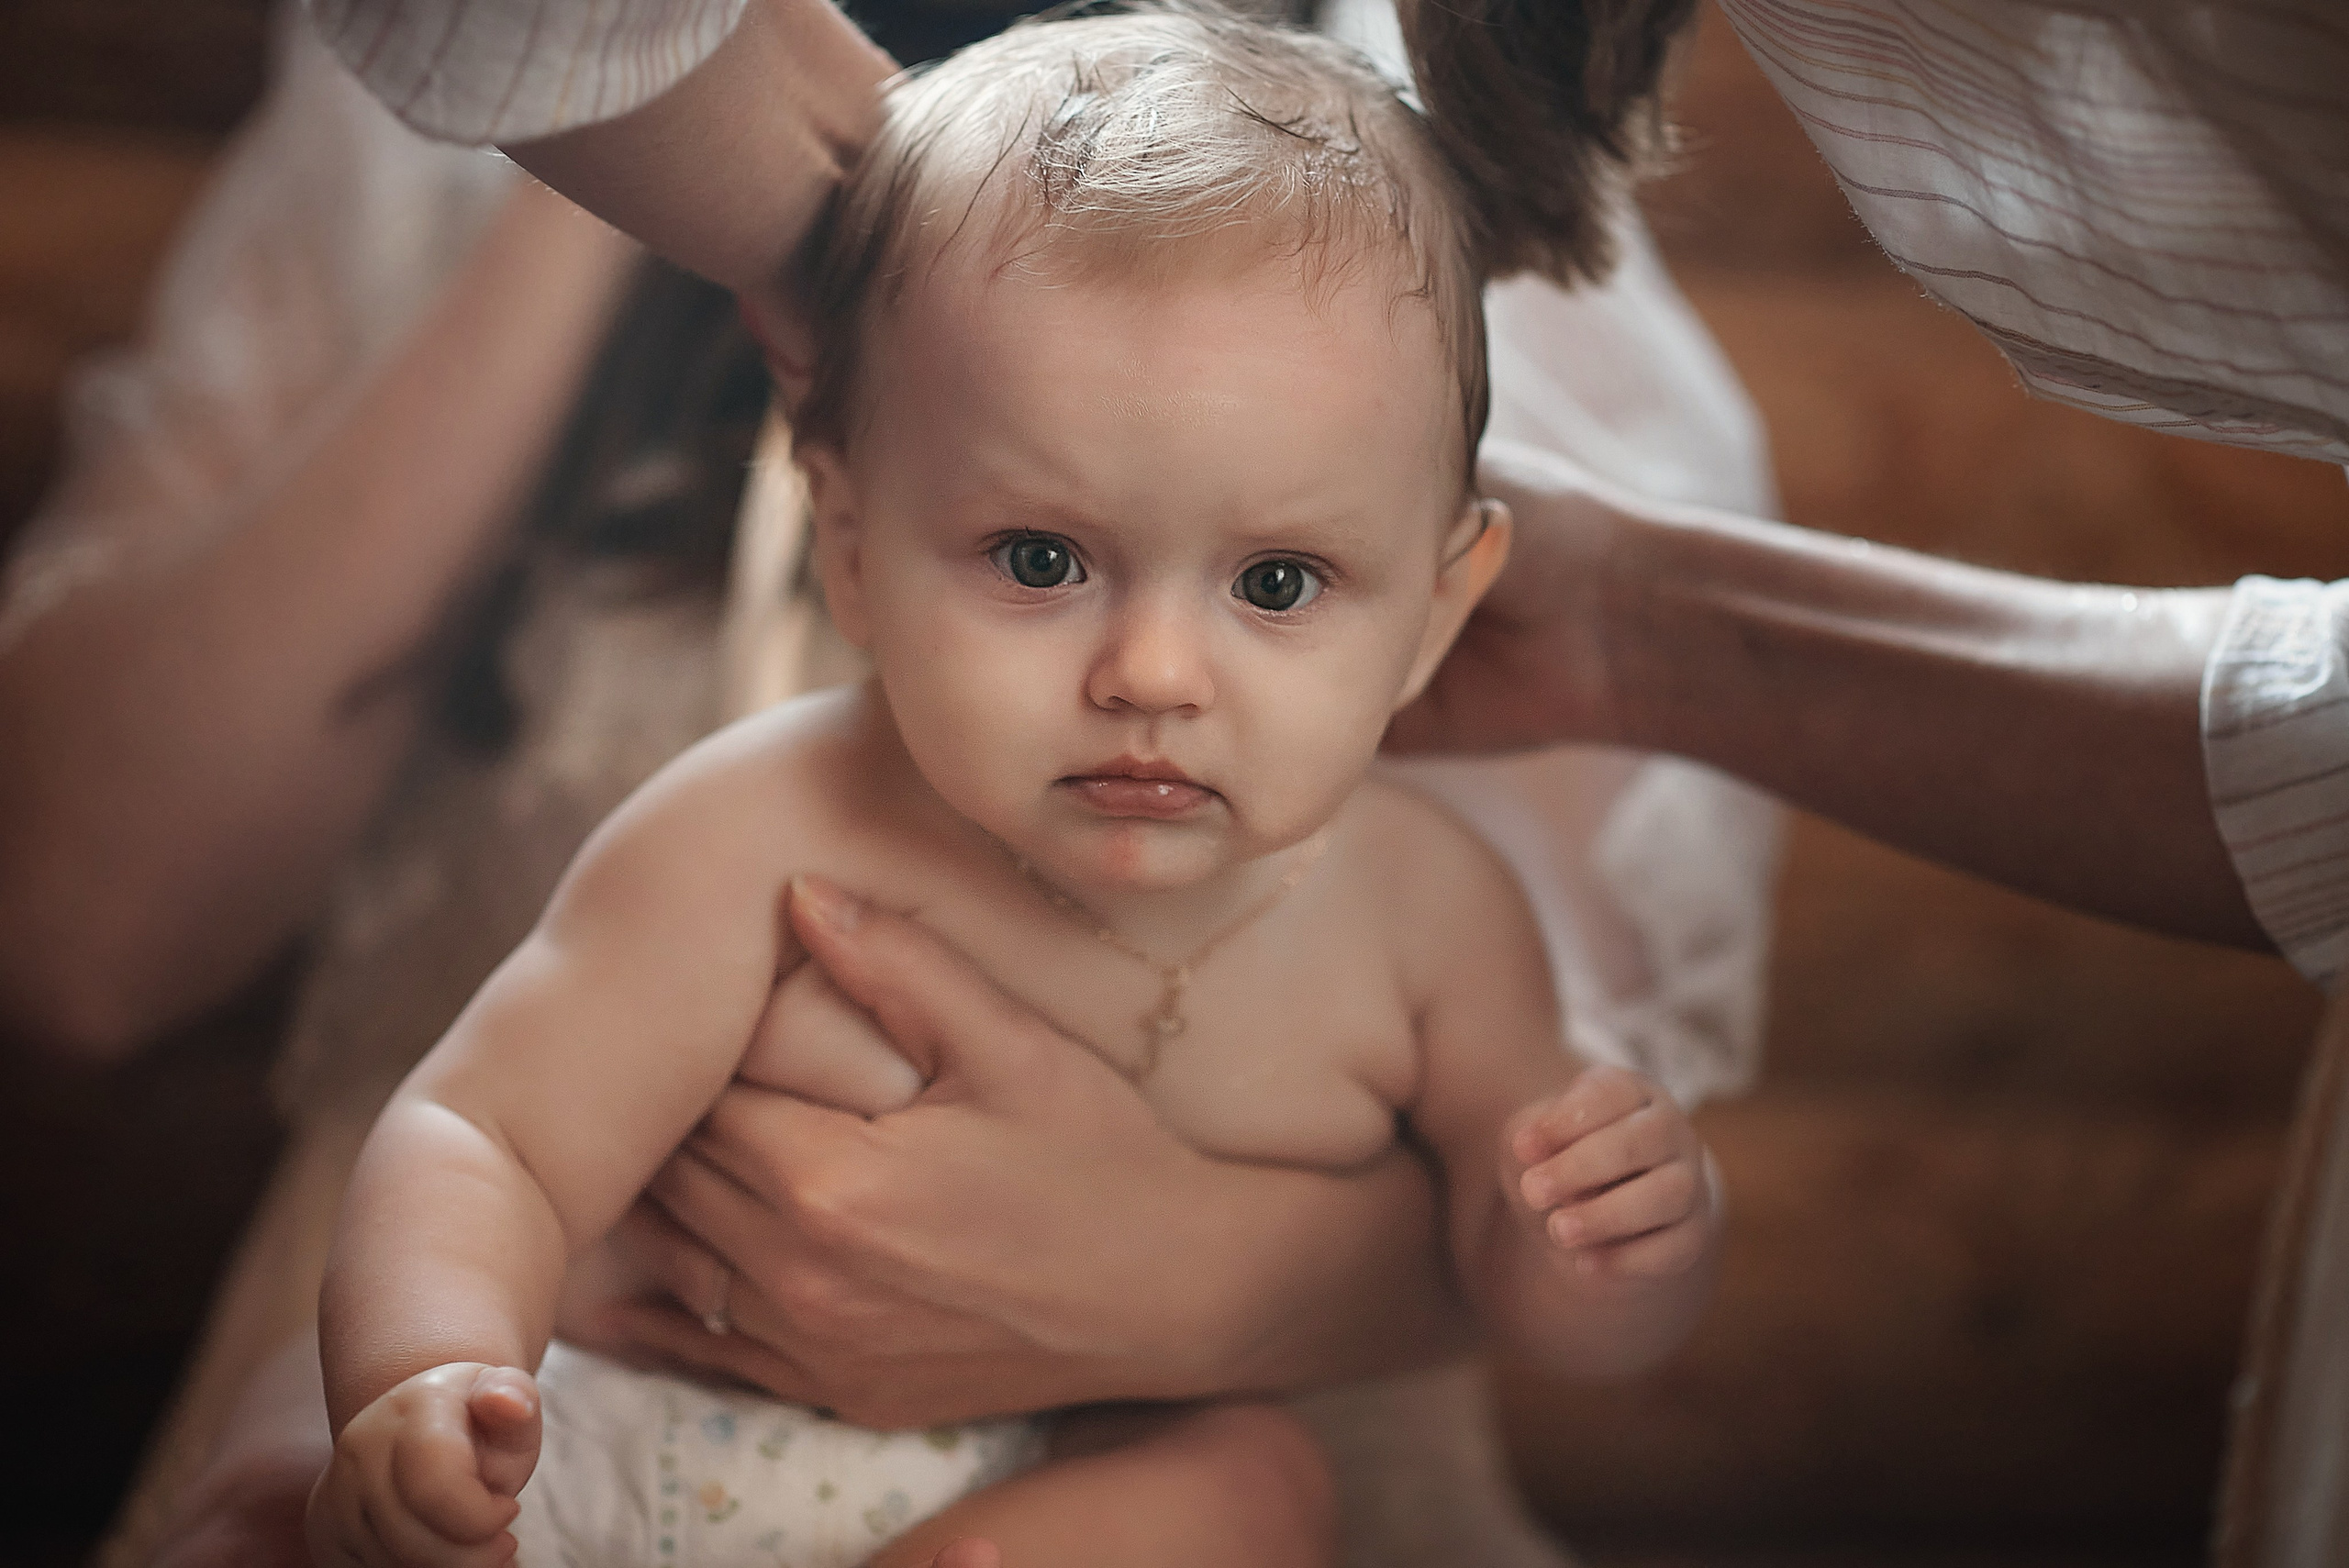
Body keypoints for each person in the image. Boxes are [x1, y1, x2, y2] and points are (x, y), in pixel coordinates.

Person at [1, 4, 1776, 1567]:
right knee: (278, 1479)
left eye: (1280, 585)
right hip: (623, 1448)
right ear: (849, 547)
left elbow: (1529, 1265)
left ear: (1435, 613)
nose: (1152, 673)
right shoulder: (767, 822)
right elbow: (486, 1131)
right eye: (1035, 558)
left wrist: (1611, 1243)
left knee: (1251, 1494)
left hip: (1038, 1486)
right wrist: (432, 1373)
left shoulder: (1429, 918)